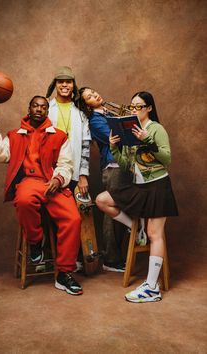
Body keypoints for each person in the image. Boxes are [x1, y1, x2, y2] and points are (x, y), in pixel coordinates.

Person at [0, 95, 83, 296]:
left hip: (52, 182)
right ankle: (36, 242)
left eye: (43, 107)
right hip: (30, 182)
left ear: (47, 111)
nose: (39, 109)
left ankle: (64, 273)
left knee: (73, 219)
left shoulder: (59, 135)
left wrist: (58, 180)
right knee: (24, 200)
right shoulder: (15, 135)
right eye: (35, 106)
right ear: (29, 109)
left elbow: (66, 164)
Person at [95, 91, 178, 302]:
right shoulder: (129, 131)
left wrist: (147, 140)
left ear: (149, 108)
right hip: (139, 187)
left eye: (139, 106)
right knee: (102, 200)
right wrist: (114, 146)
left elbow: (166, 158)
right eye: (132, 107)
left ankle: (151, 287)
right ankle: (135, 226)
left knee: (154, 234)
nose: (134, 110)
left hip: (157, 186)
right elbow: (126, 165)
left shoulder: (156, 129)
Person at [76, 87, 147, 272]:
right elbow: (117, 138)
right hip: (113, 166)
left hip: (126, 165)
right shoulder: (95, 120)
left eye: (94, 92)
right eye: (89, 97)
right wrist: (129, 124)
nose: (95, 95)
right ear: (86, 105)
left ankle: (116, 254)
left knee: (118, 207)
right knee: (112, 210)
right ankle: (111, 259)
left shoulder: (108, 112)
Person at [46, 66, 91, 196]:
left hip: (75, 174)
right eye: (60, 81)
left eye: (68, 81)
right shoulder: (46, 109)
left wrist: (83, 175)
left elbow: (85, 146)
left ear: (73, 85)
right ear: (55, 84)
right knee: (48, 213)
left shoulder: (81, 112)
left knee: (77, 213)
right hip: (49, 173)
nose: (64, 85)